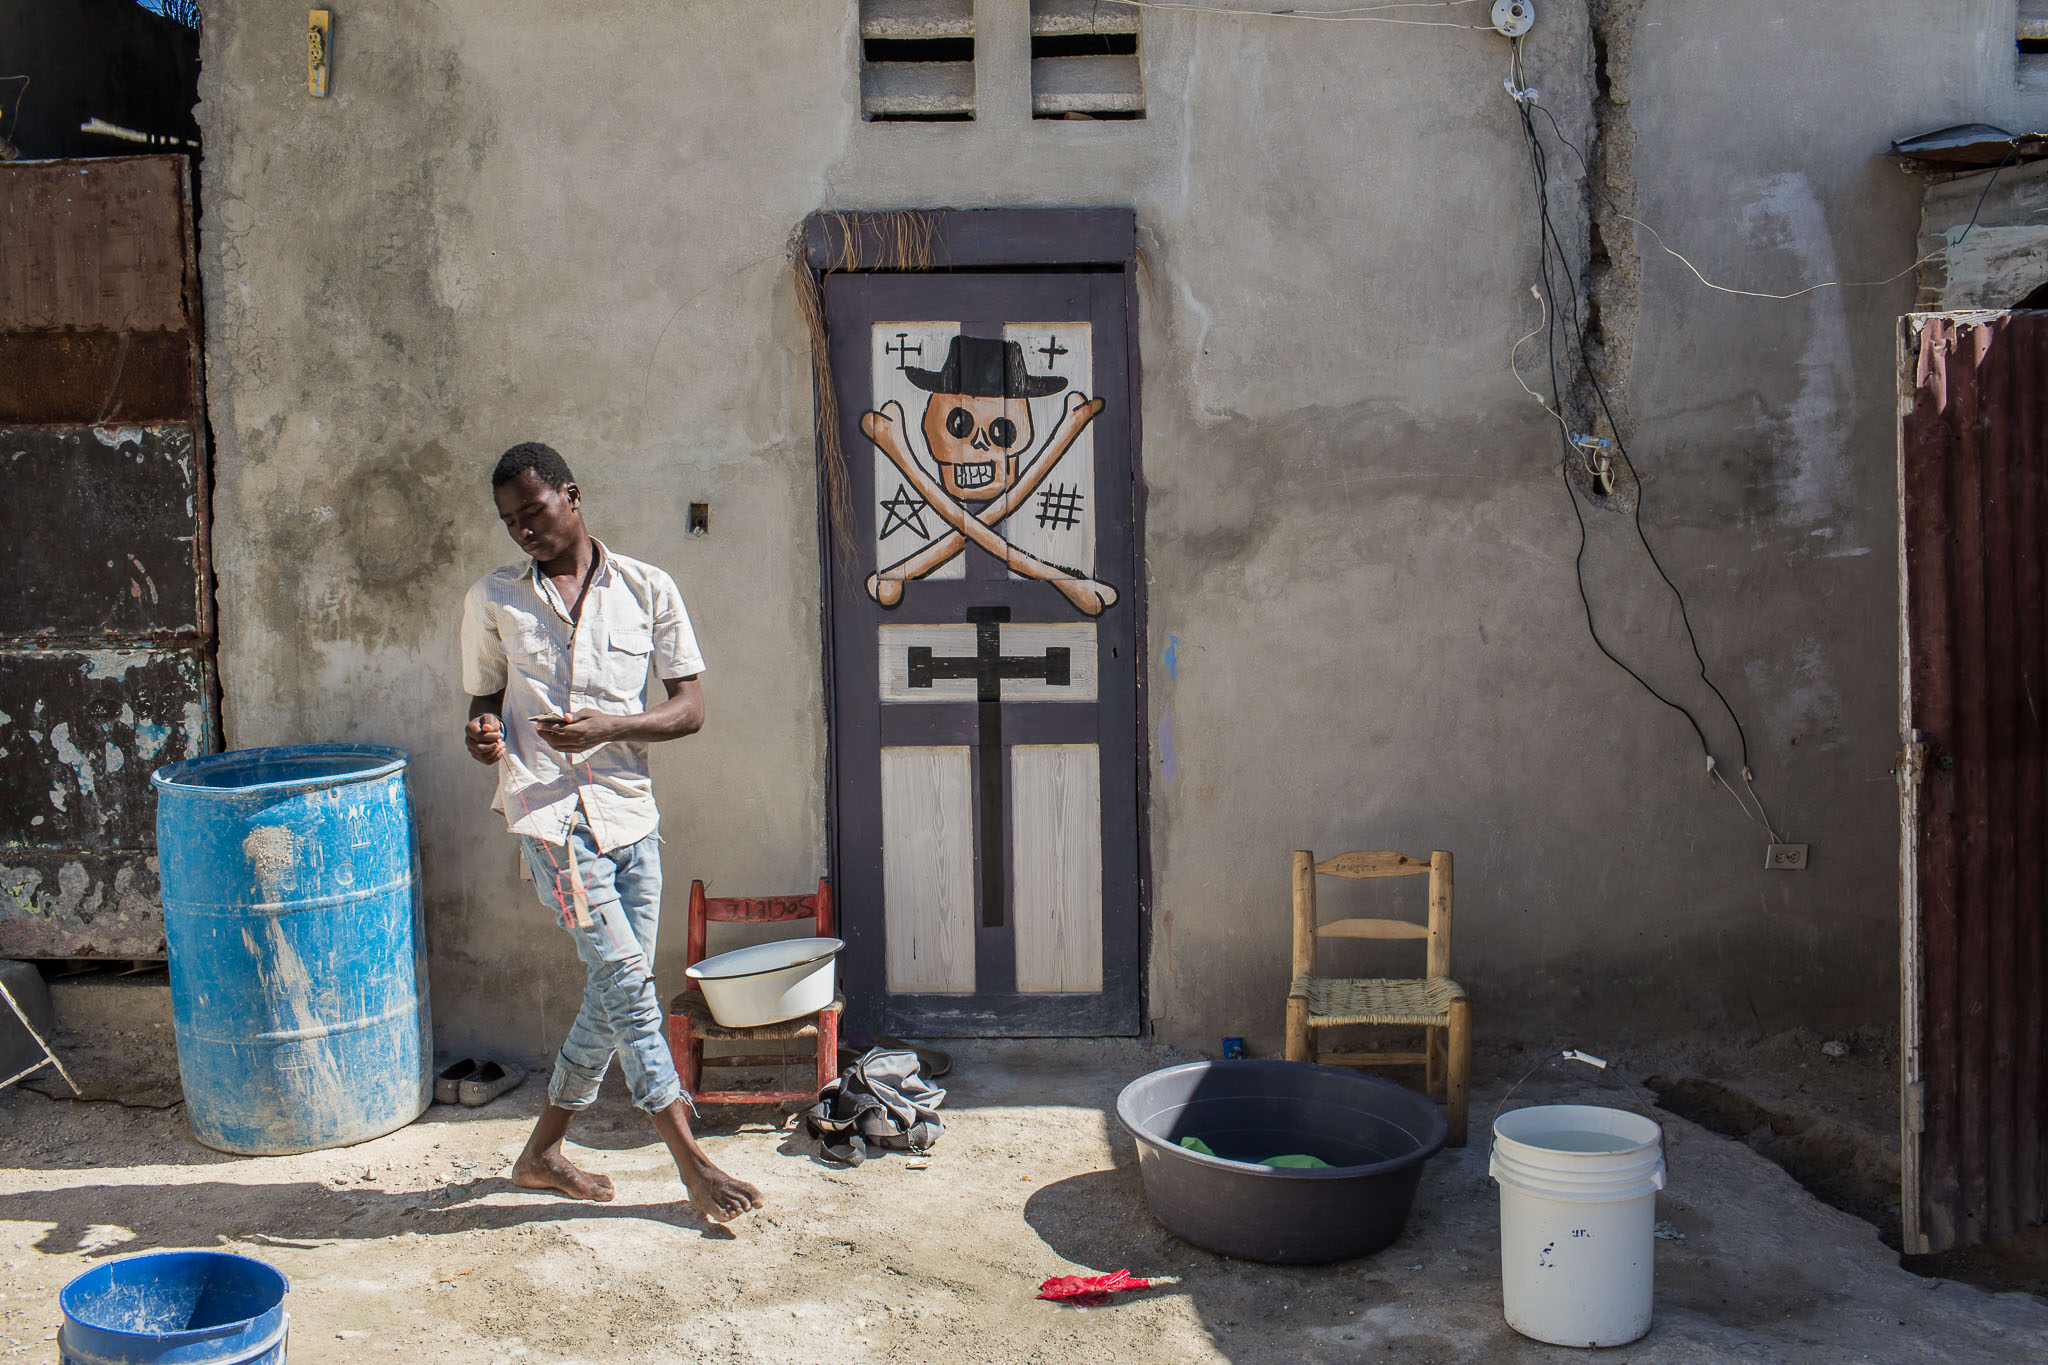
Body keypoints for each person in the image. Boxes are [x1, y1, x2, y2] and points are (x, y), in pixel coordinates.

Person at [459, 441, 763, 1223]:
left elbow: (690, 707)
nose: (521, 529)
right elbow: (482, 705)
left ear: (572, 495)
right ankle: (691, 1161)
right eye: (508, 520)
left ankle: (541, 1152)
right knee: (630, 985)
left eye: (533, 510)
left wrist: (611, 725)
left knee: (609, 989)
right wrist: (485, 734)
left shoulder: (647, 588)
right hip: (549, 820)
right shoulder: (493, 598)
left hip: (631, 816)